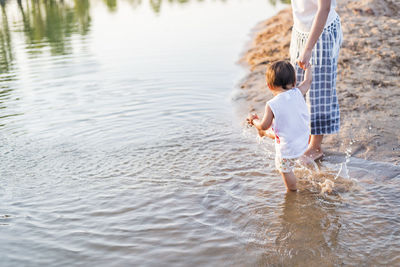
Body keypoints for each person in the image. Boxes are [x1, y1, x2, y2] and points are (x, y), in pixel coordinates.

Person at [290, 0, 343, 160]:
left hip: (321, 34)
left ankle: (315, 147)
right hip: (301, 31)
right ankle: (305, 137)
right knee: (297, 86)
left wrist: (308, 49)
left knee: (318, 93)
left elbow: (324, 9)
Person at [247, 61, 312, 191]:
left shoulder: (272, 104)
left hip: (288, 147)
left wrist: (254, 121)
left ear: (269, 86)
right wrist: (308, 68)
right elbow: (308, 81)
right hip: (304, 140)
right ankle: (266, 136)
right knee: (279, 129)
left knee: (285, 169)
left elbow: (264, 125)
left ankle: (292, 190)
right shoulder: (298, 92)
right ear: (294, 83)